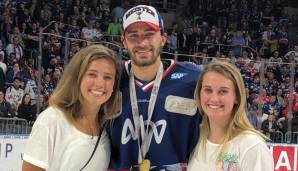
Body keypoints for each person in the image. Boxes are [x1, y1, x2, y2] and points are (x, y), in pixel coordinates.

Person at [107, 5, 201, 170]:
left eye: (149, 35)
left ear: (163, 38)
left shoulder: (193, 79)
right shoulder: (109, 79)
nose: (142, 43)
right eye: (133, 35)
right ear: (123, 41)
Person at [22, 45, 121, 171]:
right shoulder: (51, 120)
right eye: (92, 74)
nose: (100, 83)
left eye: (108, 77)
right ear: (77, 78)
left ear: (114, 85)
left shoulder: (108, 126)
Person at [188, 60, 274, 171]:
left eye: (223, 91)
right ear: (199, 94)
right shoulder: (194, 139)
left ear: (237, 97)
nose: (214, 99)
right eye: (208, 90)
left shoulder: (252, 145)